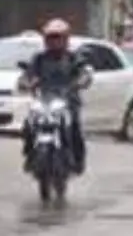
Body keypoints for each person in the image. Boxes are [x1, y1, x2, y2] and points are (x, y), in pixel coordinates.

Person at [20, 19, 92, 174]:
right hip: (44, 100)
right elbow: (27, 75)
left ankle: (78, 161)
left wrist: (81, 81)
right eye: (51, 38)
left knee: (75, 129)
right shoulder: (39, 58)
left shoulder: (73, 58)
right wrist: (27, 83)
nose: (54, 42)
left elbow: (84, 74)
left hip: (68, 101)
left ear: (66, 39)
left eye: (58, 38)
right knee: (28, 125)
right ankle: (29, 155)